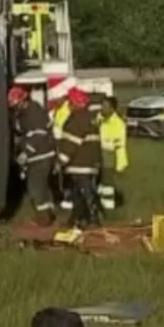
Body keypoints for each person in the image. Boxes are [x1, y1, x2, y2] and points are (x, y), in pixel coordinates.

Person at [8, 85, 58, 225]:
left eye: (16, 105)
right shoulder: (27, 112)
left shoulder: (33, 112)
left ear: (23, 101)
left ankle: (43, 218)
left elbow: (39, 134)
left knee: (35, 186)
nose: (15, 108)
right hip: (41, 154)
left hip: (41, 155)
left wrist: (26, 152)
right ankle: (49, 214)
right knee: (42, 186)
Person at [57, 87, 102, 228]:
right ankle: (75, 220)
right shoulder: (90, 118)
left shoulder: (76, 120)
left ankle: (94, 221)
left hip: (79, 164)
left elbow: (70, 145)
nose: (68, 105)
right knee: (78, 194)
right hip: (90, 163)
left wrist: (60, 162)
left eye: (69, 102)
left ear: (74, 103)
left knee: (84, 192)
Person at [97, 96, 129, 211]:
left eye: (105, 107)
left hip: (110, 156)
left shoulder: (118, 124)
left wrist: (119, 164)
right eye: (102, 106)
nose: (102, 109)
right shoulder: (102, 121)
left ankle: (108, 206)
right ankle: (102, 204)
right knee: (102, 182)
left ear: (112, 109)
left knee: (108, 184)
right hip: (102, 154)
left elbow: (119, 145)